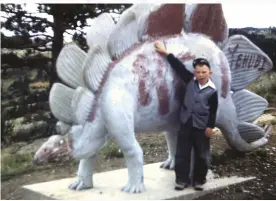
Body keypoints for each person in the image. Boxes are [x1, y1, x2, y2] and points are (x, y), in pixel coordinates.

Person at [154, 42, 218, 191]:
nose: (201, 75)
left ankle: (199, 180)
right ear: (194, 72)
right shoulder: (190, 80)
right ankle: (181, 180)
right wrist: (165, 52)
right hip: (186, 123)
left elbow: (213, 110)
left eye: (204, 72)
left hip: (201, 126)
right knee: (182, 153)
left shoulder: (212, 91)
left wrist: (210, 126)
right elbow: (178, 66)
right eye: (198, 72)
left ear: (210, 73)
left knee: (202, 155)